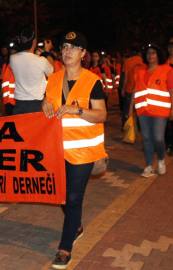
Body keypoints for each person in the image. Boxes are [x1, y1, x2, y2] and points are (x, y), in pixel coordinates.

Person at [42, 31, 107, 269]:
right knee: (60, 195)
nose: (67, 51)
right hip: (56, 149)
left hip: (82, 151)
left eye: (73, 47)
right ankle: (76, 224)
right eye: (64, 47)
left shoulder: (93, 81)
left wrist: (76, 110)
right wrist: (44, 104)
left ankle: (65, 248)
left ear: (83, 53)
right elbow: (47, 104)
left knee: (73, 197)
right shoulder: (53, 79)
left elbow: (101, 114)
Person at [128, 44, 173, 177]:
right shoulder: (139, 71)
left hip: (160, 111)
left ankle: (161, 159)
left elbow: (172, 90)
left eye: (154, 53)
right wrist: (130, 108)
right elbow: (135, 90)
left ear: (159, 55)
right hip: (143, 110)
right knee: (147, 138)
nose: (151, 55)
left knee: (158, 138)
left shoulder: (166, 70)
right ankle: (149, 166)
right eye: (149, 53)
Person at [10, 28, 54, 115]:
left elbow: (27, 61)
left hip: (19, 103)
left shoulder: (13, 58)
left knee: (20, 128)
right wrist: (47, 51)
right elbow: (53, 71)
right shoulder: (41, 61)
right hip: (35, 104)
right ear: (34, 42)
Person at [121, 47, 144, 128]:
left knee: (127, 108)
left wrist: (123, 88)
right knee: (140, 109)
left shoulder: (128, 62)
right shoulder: (143, 61)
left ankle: (126, 125)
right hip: (141, 89)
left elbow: (126, 77)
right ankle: (140, 126)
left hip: (129, 89)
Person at [0, 44, 18, 116]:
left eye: (14, 53)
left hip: (17, 100)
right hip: (7, 101)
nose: (13, 55)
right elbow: (3, 83)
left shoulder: (21, 66)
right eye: (11, 54)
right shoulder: (5, 66)